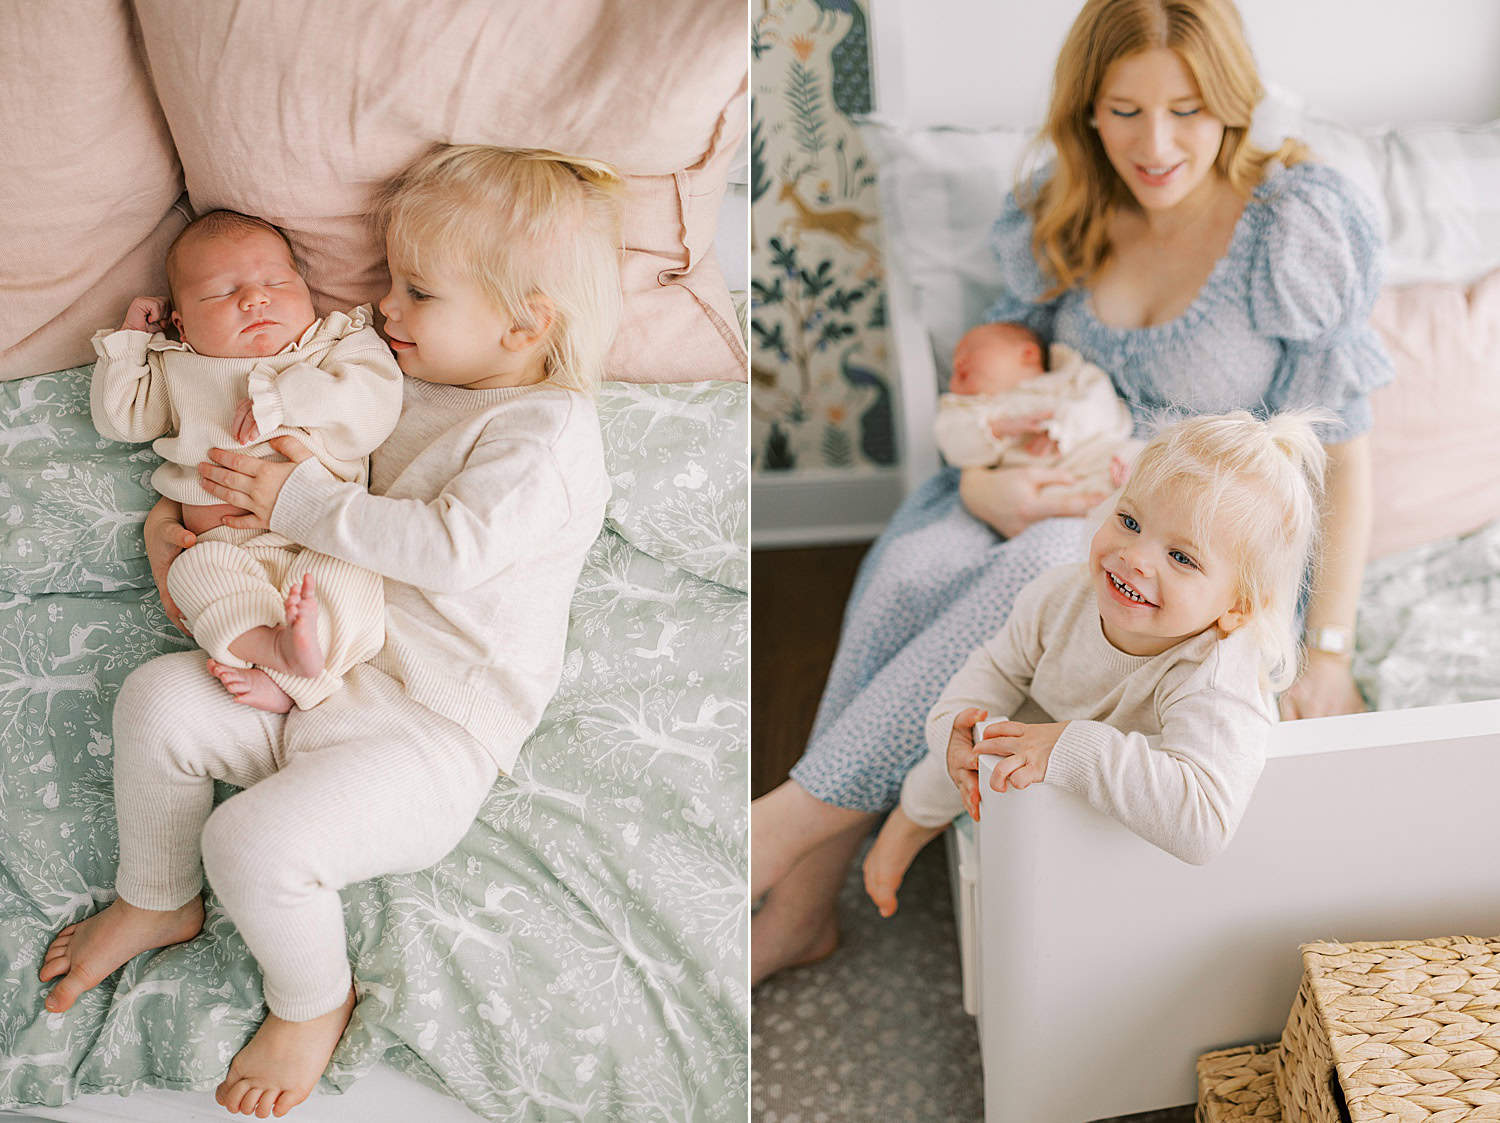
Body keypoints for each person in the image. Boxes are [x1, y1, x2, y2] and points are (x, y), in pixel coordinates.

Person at [751, 0, 1392, 987]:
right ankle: (803, 906)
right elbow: (1000, 376)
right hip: (1027, 490)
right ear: (1086, 112)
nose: (1157, 143)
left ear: (1233, 102)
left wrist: (1329, 650)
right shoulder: (1071, 202)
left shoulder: (1293, 224)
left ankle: (787, 824)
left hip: (1170, 543)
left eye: (1187, 108)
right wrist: (980, 483)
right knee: (910, 571)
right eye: (1122, 110)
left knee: (1051, 568)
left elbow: (1342, 452)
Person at [39, 145, 620, 1118]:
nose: (386, 308)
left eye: (418, 291)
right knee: (157, 699)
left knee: (254, 845)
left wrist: (296, 498)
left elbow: (442, 548)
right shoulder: (408, 375)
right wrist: (183, 529)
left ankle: (314, 998)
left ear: (525, 322)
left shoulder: (545, 436)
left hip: (430, 735)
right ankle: (155, 894)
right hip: (320, 673)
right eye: (389, 280)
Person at [863, 411, 1325, 916]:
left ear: (1238, 607)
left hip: (1150, 790)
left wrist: (1073, 743)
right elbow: (993, 670)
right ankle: (909, 825)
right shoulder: (1059, 596)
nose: (1135, 558)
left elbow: (1202, 827)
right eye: (1129, 522)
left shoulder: (1218, 677)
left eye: (1182, 558)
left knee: (1126, 815)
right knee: (965, 748)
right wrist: (956, 728)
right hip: (1056, 739)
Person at [89, 211, 403, 714]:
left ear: (307, 292)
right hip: (219, 545)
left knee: (355, 573)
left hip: (321, 531)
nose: (254, 298)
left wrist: (287, 398)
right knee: (193, 574)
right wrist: (129, 344)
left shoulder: (331, 345)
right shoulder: (179, 364)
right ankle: (272, 648)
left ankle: (298, 674)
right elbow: (121, 419)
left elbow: (374, 408)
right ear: (182, 323)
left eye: (276, 282)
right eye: (220, 293)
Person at [936, 320, 1139, 499]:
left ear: (1028, 354)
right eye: (954, 367)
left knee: (1141, 456)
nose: (958, 362)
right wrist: (997, 428)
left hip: (1099, 457)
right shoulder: (971, 409)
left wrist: (1063, 429)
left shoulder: (1071, 377)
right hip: (1044, 486)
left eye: (971, 351)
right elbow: (952, 443)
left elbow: (1104, 408)